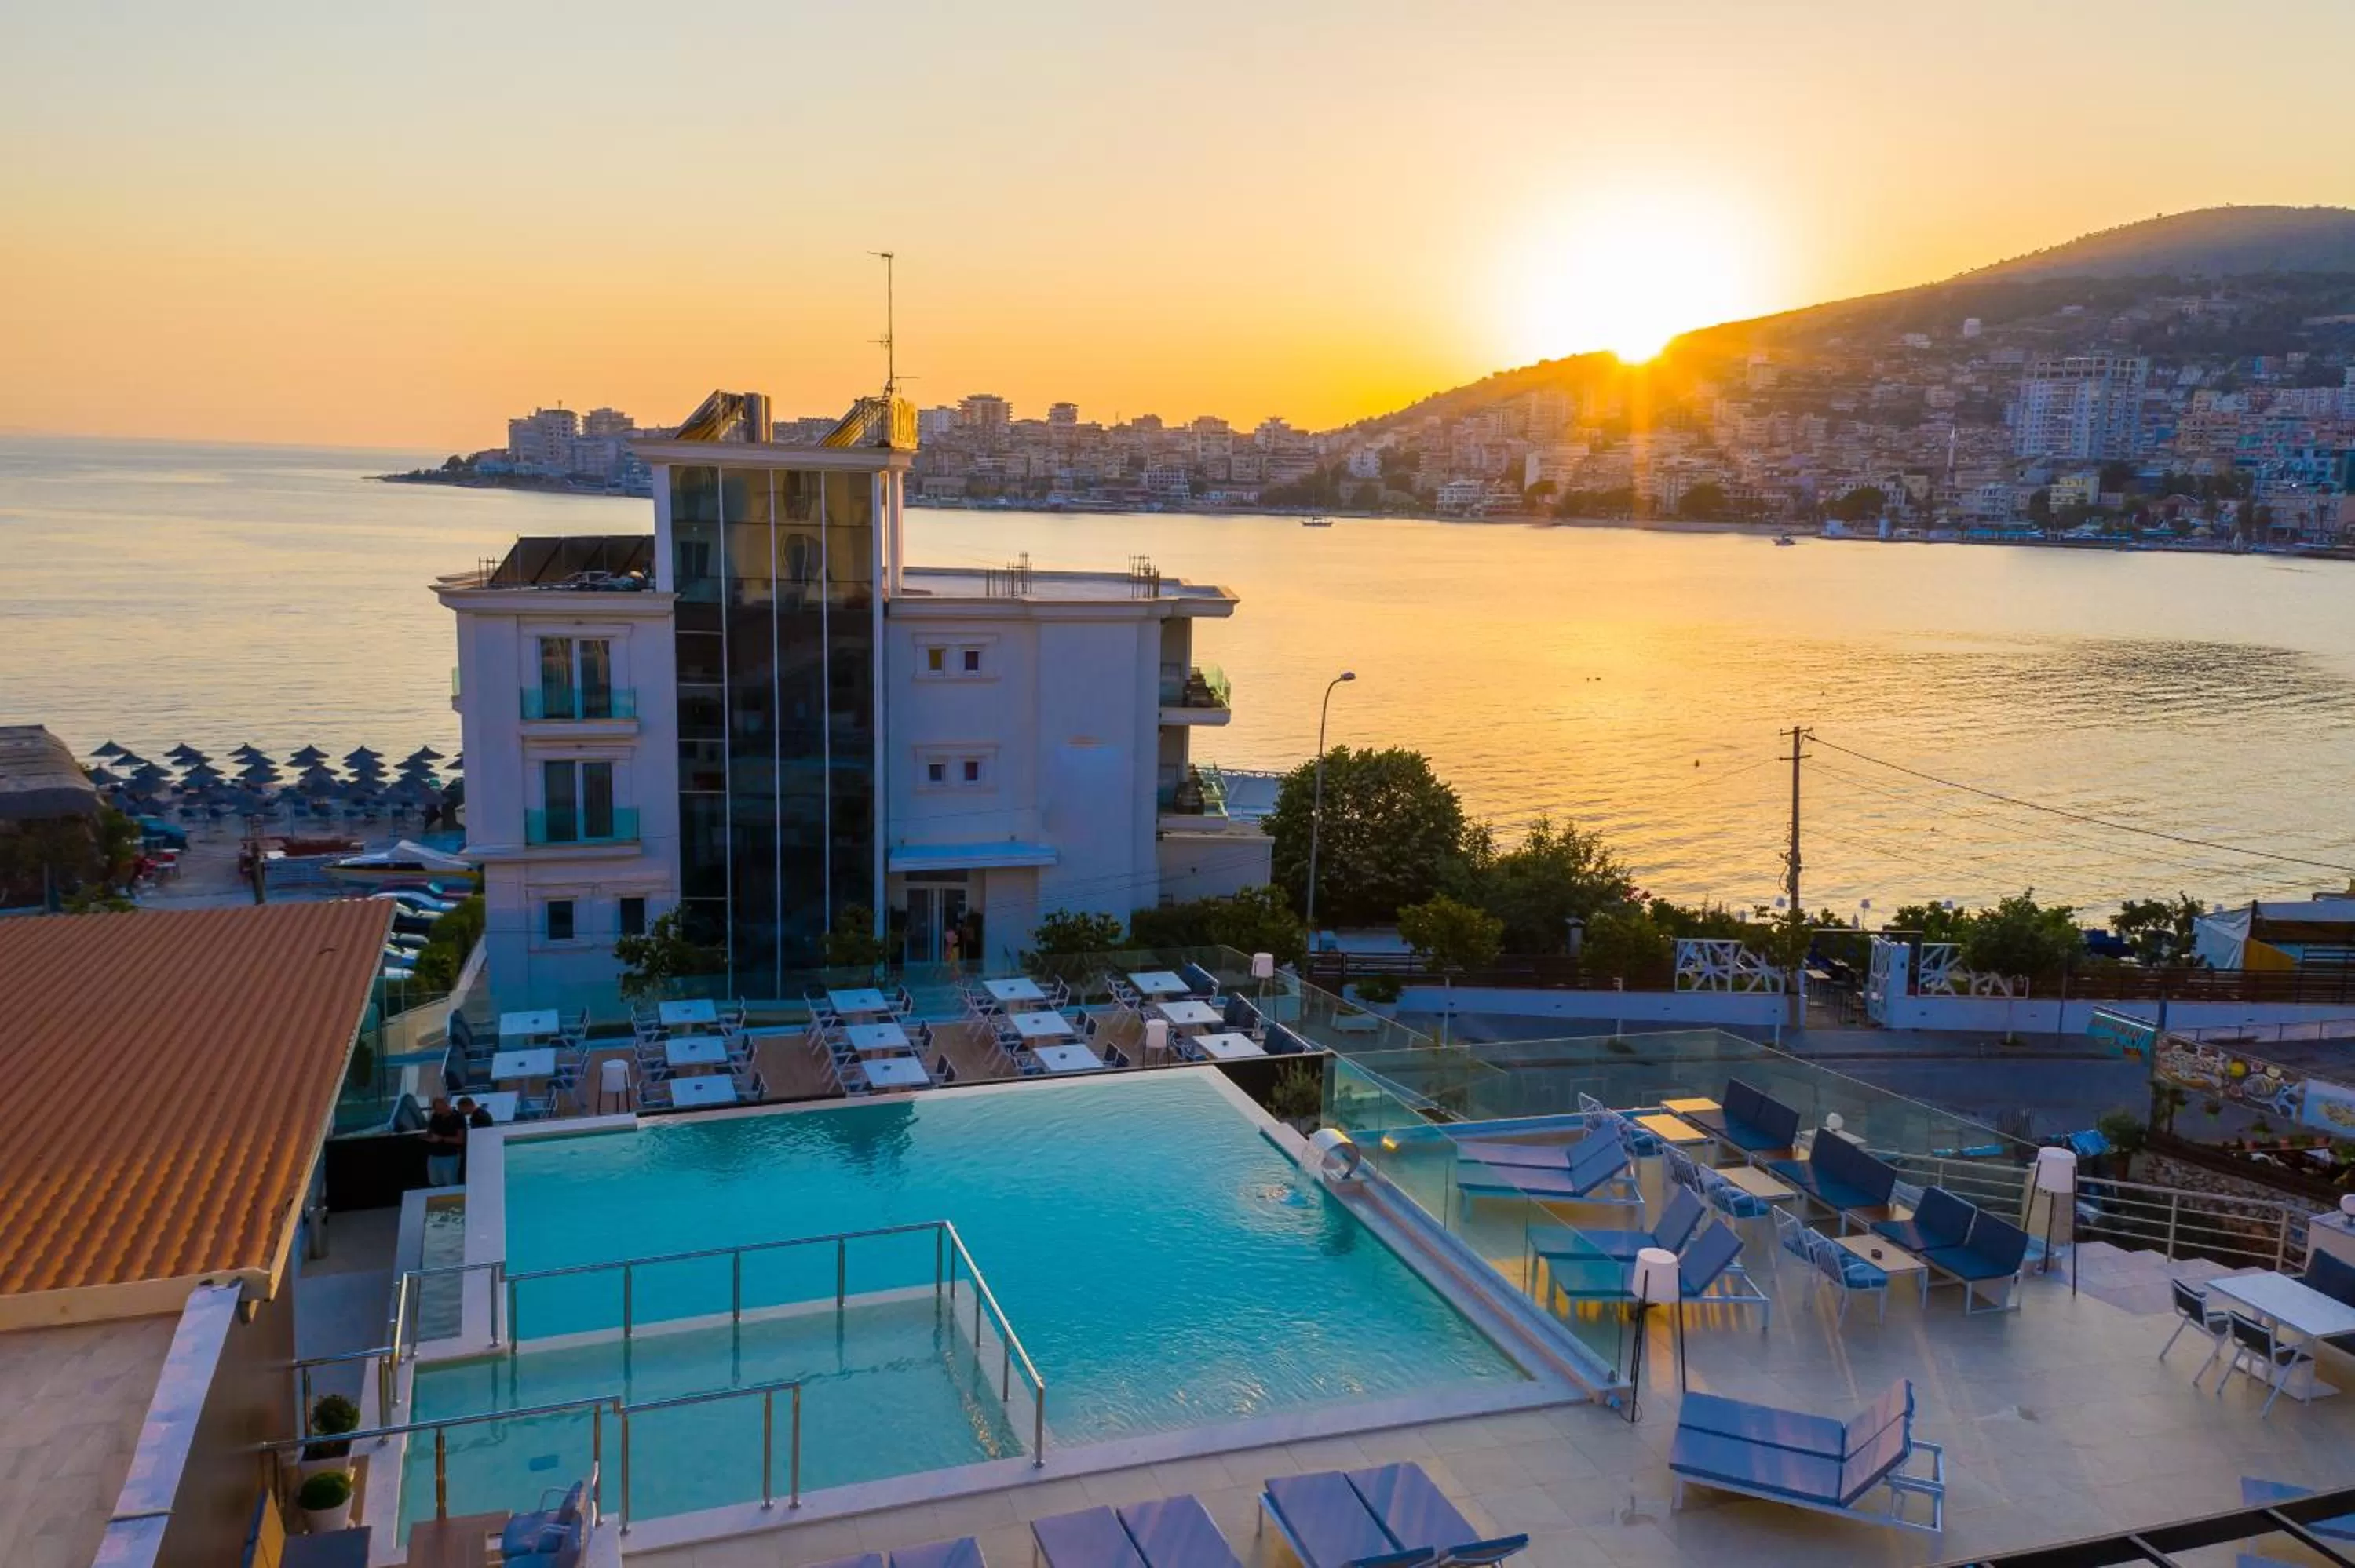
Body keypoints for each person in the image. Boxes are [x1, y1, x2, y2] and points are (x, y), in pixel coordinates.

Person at [422, 1096, 466, 1187]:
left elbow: (460, 1140)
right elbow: (430, 1131)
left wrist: (441, 1138)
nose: (439, 1112)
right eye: (437, 1110)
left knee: (450, 1183)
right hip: (434, 1155)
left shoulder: (458, 1117)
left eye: (441, 1109)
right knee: (434, 1182)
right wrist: (427, 1136)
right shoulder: (435, 1116)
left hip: (450, 1156)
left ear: (447, 1106)